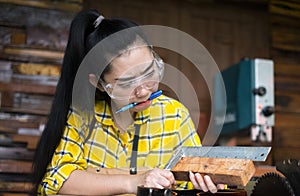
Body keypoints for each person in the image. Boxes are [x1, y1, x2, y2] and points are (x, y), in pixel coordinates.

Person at [32, 9, 224, 195]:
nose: (143, 92)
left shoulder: (175, 115)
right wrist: (134, 182)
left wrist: (204, 182)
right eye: (127, 82)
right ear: (99, 84)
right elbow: (55, 181)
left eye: (149, 73)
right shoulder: (83, 116)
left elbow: (195, 175)